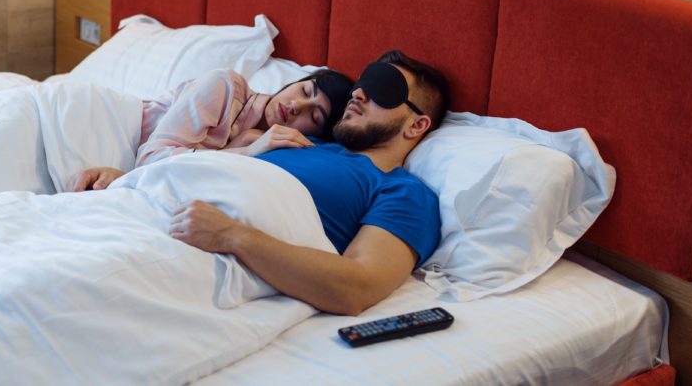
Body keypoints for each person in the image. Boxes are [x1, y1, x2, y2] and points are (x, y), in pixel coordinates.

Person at [169, 50, 450, 316]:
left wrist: (230, 235)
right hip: (158, 208)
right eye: (364, 83)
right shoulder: (298, 140)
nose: (358, 93)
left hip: (200, 252)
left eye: (384, 90)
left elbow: (358, 287)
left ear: (416, 125)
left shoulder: (404, 192)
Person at [69, 67, 355, 191]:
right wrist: (247, 149)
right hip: (93, 120)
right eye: (305, 90)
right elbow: (152, 159)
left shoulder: (274, 151)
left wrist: (245, 148)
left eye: (314, 115)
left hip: (112, 160)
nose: (296, 105)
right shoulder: (226, 86)